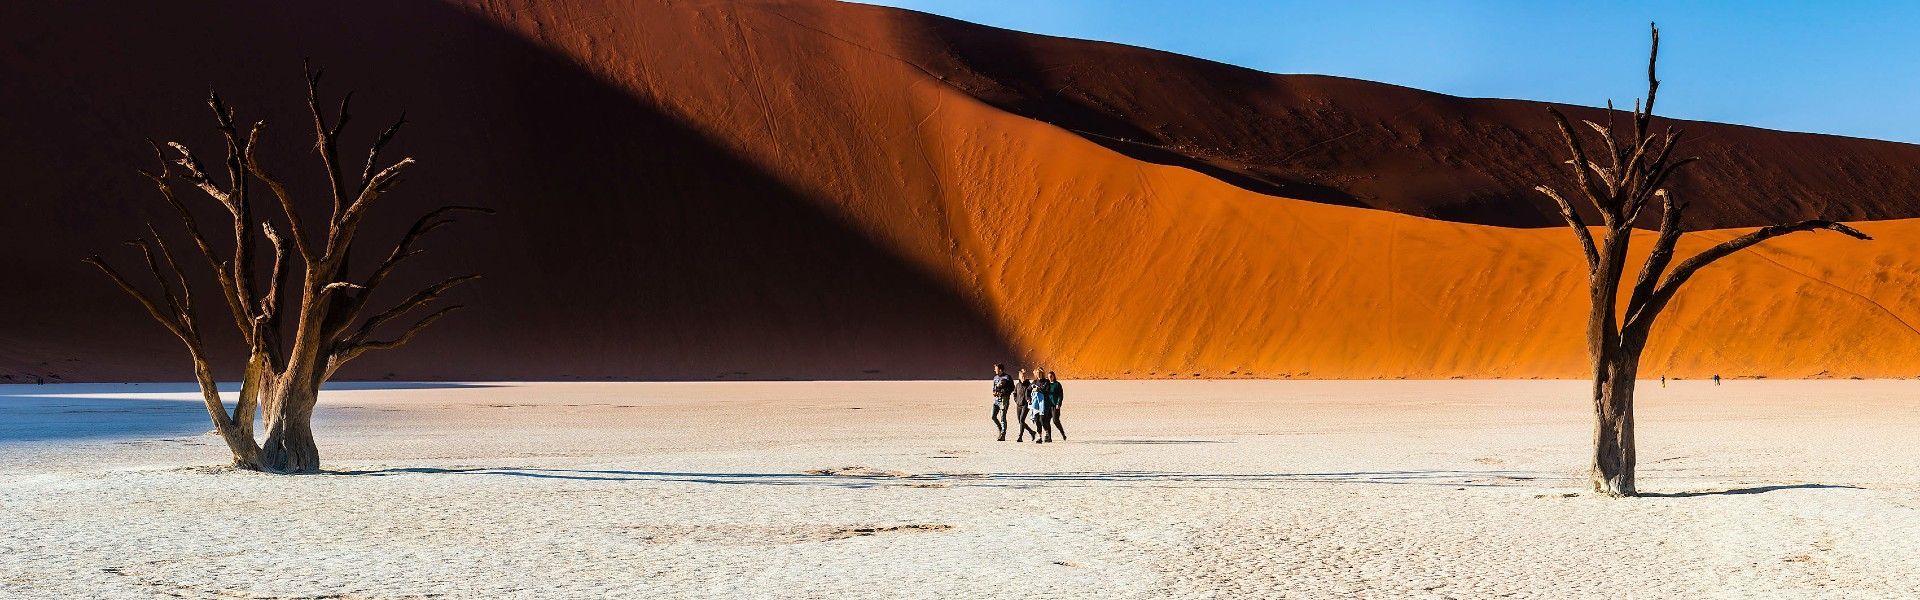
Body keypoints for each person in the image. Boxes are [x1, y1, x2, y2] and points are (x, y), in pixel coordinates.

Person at [990, 364, 1014, 440]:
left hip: (1004, 400)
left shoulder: (1007, 377)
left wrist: (1004, 392)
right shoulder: (995, 378)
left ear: (1000, 369)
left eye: (996, 369)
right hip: (996, 400)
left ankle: (1003, 434)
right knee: (993, 416)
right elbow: (994, 388)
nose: (994, 370)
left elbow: (1012, 388)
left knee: (1003, 417)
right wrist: (994, 392)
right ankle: (1000, 428)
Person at [1013, 369, 1038, 442]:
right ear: (1019, 376)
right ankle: (1032, 432)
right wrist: (1016, 400)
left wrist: (1029, 401)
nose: (1023, 377)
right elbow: (1014, 393)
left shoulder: (1029, 384)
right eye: (1021, 376)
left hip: (1025, 405)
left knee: (1021, 420)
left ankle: (1020, 437)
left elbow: (1032, 393)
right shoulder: (1018, 385)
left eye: (1024, 376)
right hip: (1018, 405)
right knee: (1020, 421)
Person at [1027, 368, 1050, 444]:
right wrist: (1028, 398)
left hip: (1043, 404)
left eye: (1039, 373)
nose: (1038, 375)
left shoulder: (1046, 381)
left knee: (1042, 419)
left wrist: (1039, 389)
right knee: (1037, 420)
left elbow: (1047, 391)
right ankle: (1039, 437)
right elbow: (1028, 390)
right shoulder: (1035, 382)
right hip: (1035, 404)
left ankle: (1047, 433)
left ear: (1042, 373)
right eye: (1037, 373)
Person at [1043, 371, 1066, 441]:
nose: (1050, 378)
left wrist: (1058, 404)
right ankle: (1049, 437)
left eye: (1051, 376)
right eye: (1049, 376)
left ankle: (1062, 433)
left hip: (1055, 405)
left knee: (1055, 420)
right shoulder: (1047, 384)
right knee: (1046, 421)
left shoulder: (1057, 384)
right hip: (1048, 405)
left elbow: (1060, 395)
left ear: (1054, 376)